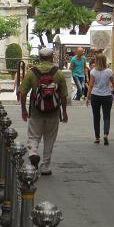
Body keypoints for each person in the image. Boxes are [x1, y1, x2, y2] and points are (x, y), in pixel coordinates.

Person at [20, 46, 68, 175]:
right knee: (49, 139)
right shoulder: (58, 73)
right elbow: (63, 95)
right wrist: (64, 112)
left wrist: (23, 110)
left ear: (39, 58)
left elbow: (22, 93)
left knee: (33, 136)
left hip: (36, 112)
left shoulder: (32, 72)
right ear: (51, 57)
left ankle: (33, 152)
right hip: (53, 112)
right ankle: (45, 166)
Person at [85, 53, 114, 145]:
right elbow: (113, 83)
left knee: (96, 117)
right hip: (107, 96)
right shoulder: (109, 71)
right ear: (105, 60)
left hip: (95, 96)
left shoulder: (93, 71)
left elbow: (91, 85)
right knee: (106, 116)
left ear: (96, 61)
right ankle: (105, 134)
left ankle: (97, 137)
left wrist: (87, 97)